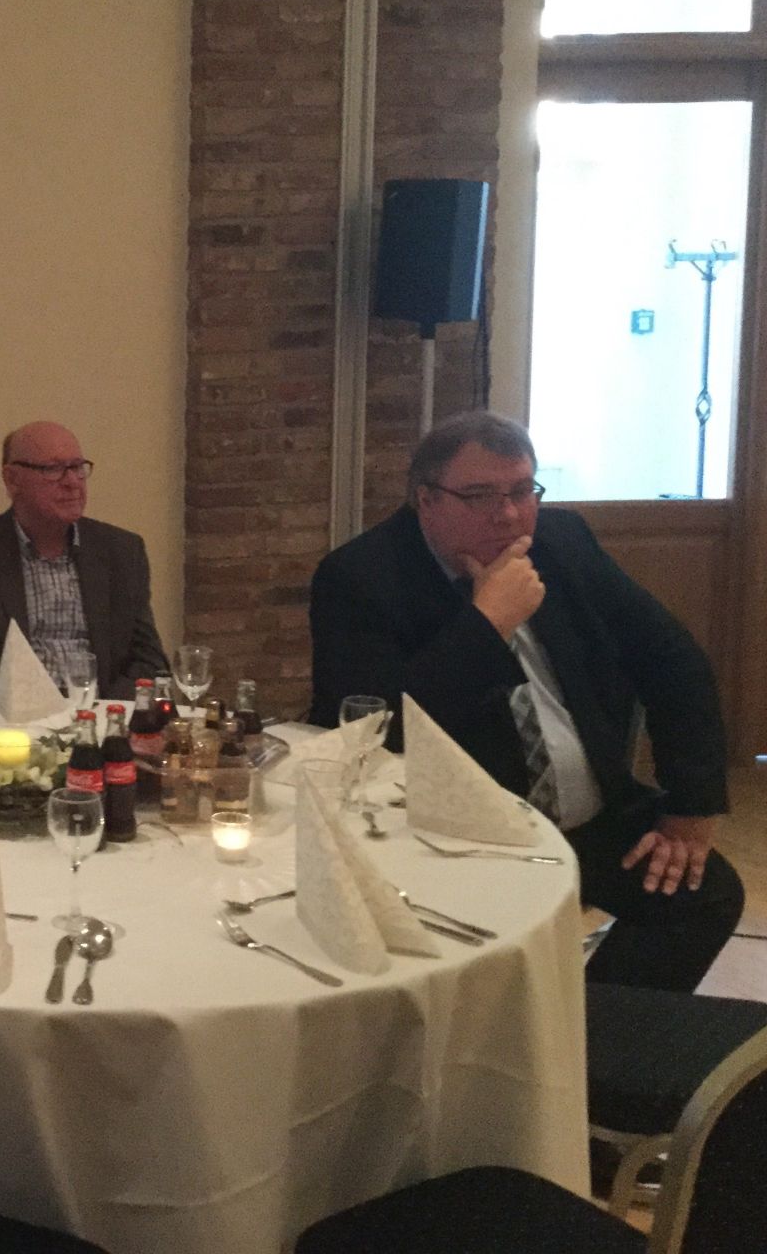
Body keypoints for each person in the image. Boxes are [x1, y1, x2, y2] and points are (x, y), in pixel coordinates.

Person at [308, 410, 744, 992]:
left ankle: (589, 1032)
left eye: (521, 491)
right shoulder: (361, 578)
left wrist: (690, 809)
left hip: (590, 821)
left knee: (703, 894)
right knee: (483, 961)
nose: (509, 514)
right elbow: (378, 730)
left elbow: (672, 660)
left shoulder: (563, 543)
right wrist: (487, 623)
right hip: (457, 838)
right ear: (426, 500)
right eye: (480, 496)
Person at [0, 421, 169, 701]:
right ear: (12, 479)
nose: (72, 482)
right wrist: (26, 710)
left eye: (77, 467)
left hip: (101, 717)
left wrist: (101, 713)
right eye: (53, 469)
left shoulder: (122, 551)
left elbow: (150, 662)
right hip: (10, 720)